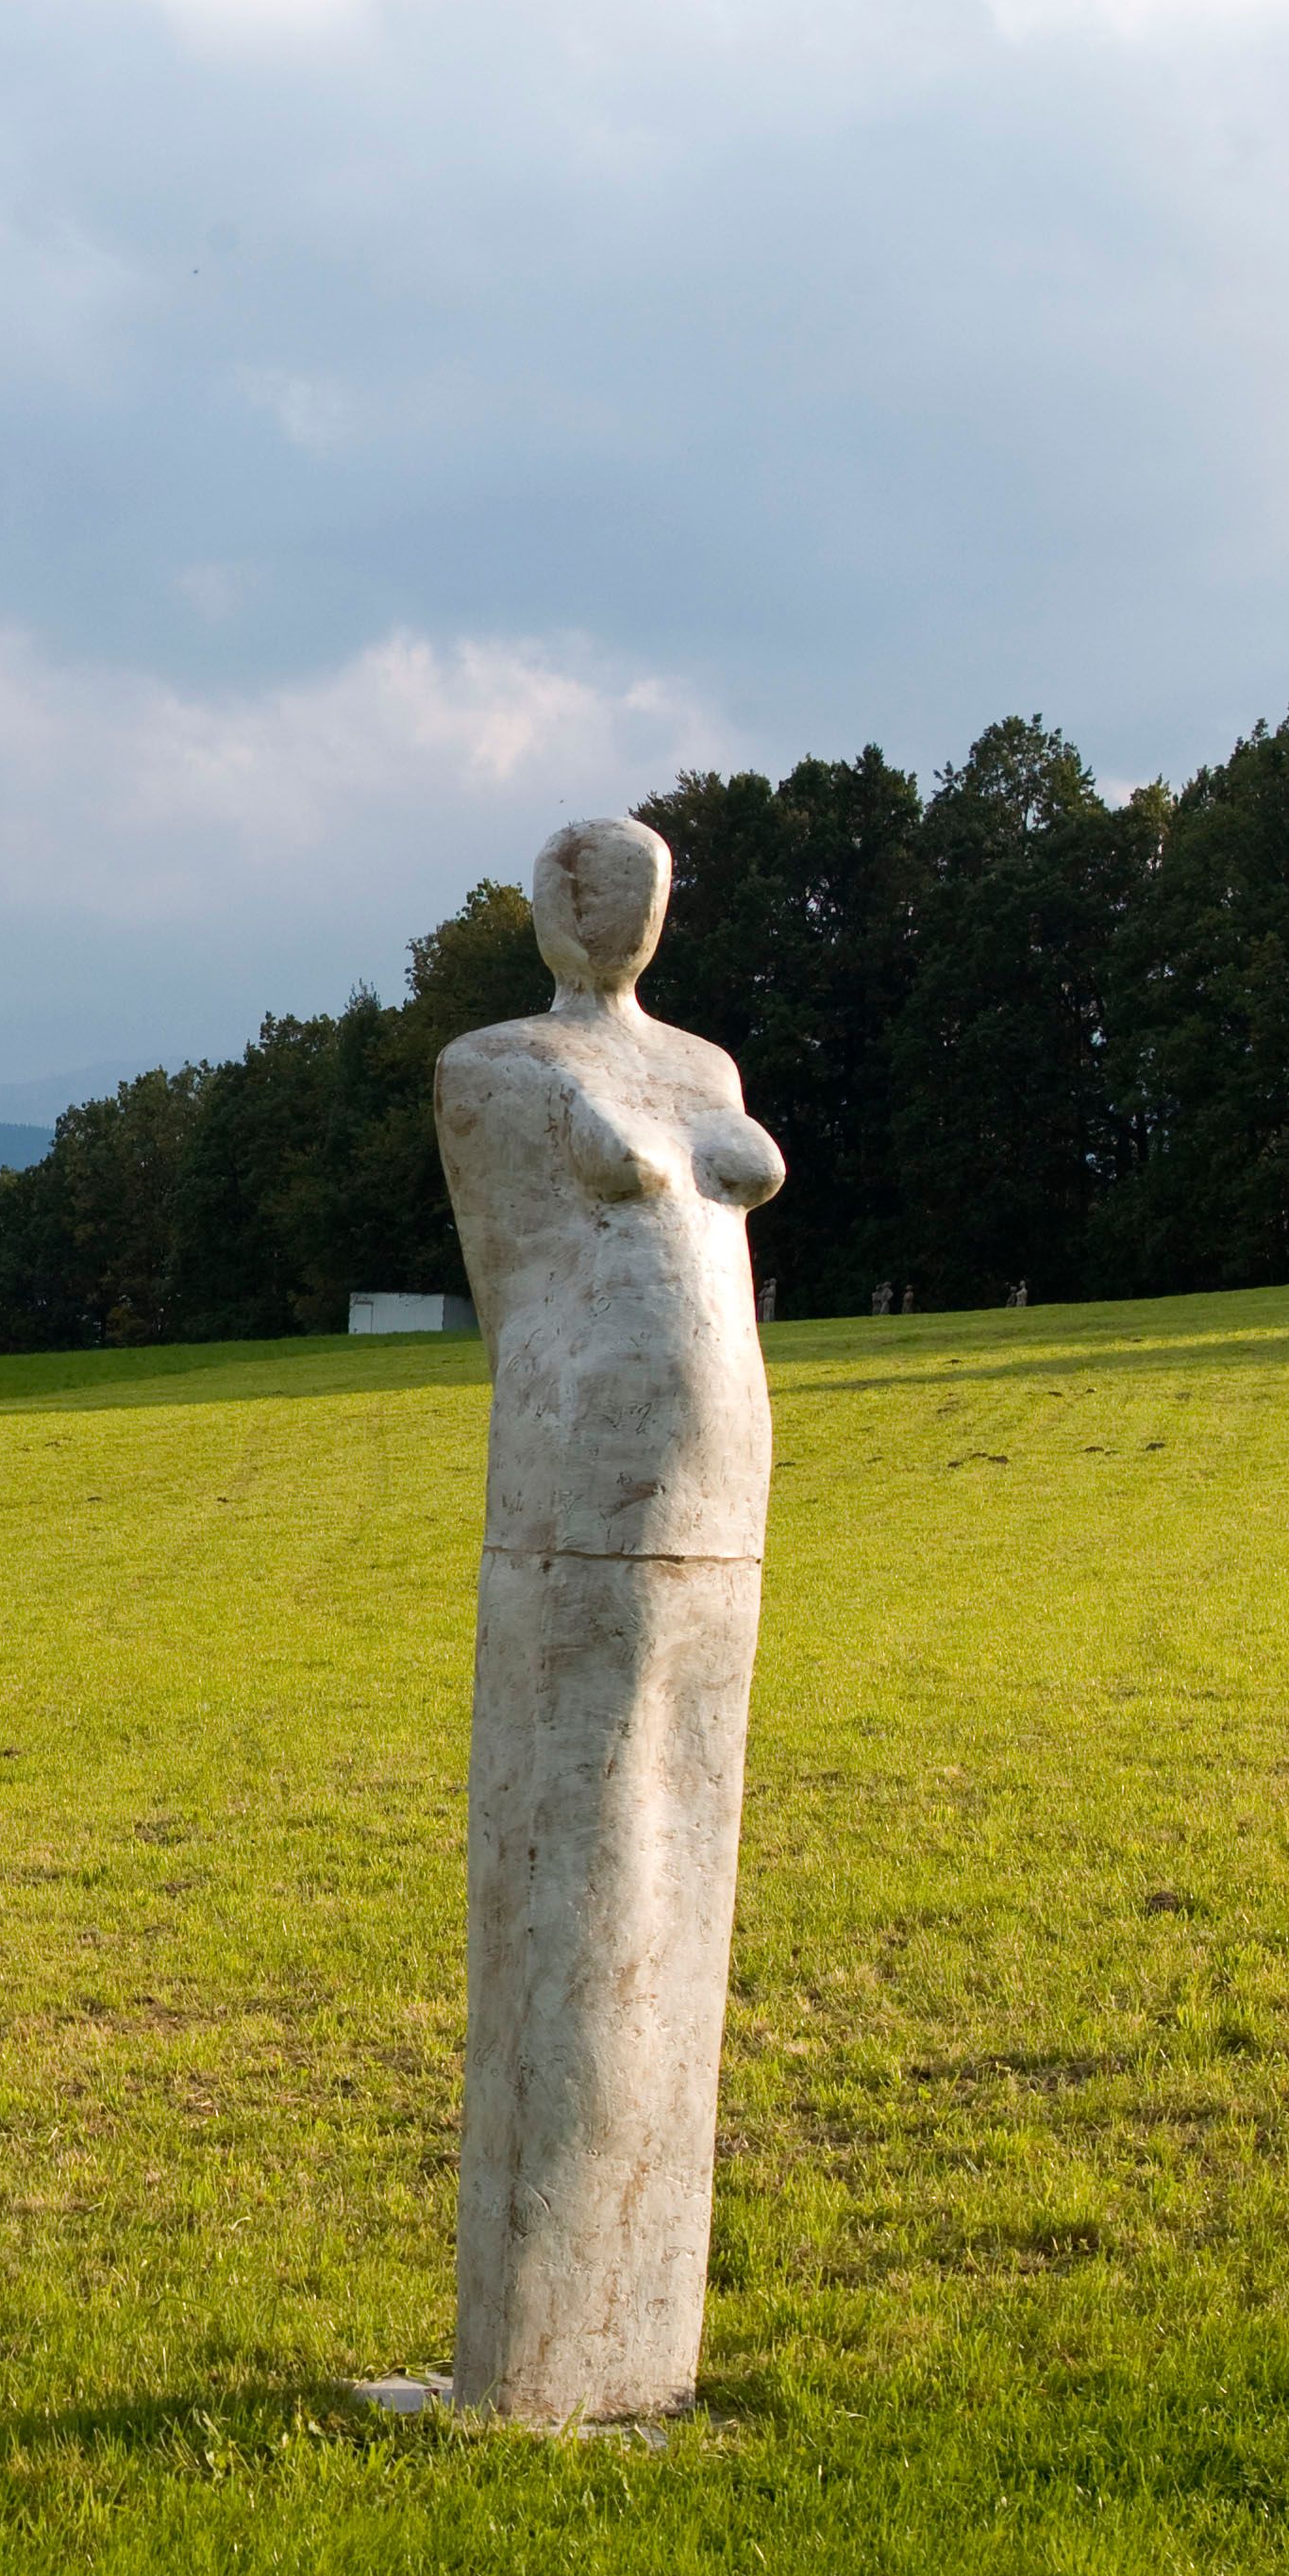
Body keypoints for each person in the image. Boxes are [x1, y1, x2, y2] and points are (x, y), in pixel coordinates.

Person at [430, 812, 782, 2427]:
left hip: (721, 1487)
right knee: (575, 1851)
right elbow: (515, 1284)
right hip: (577, 1492)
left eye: (639, 886)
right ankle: (540, 2350)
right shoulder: (492, 1067)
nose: (611, 906)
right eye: (583, 884)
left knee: (681, 1851)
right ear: (538, 909)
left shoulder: (706, 1070)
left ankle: (640, 2330)